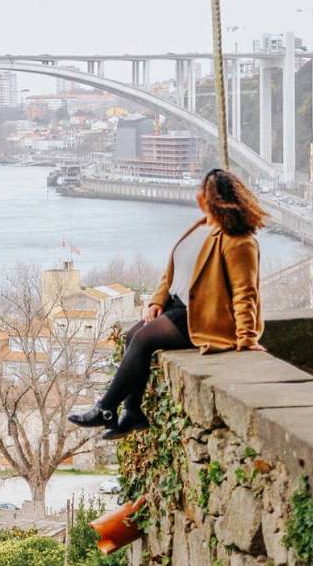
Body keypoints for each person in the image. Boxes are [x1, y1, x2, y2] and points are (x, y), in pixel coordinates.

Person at [69, 168, 267, 441]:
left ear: (211, 199)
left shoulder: (239, 242)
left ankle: (104, 409)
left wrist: (246, 338)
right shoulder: (200, 227)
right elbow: (171, 272)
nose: (198, 196)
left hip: (203, 317)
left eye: (203, 192)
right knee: (132, 336)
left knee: (143, 340)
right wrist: (157, 300)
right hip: (177, 306)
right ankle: (132, 412)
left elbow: (245, 293)